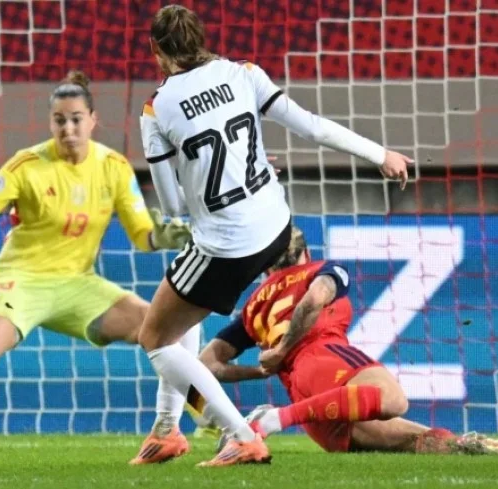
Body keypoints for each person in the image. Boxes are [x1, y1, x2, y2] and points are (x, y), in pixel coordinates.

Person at [135, 4, 414, 466]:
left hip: (226, 242)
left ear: (155, 50)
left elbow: (173, 205)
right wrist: (379, 153)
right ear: (202, 37)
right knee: (181, 310)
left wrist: (202, 176)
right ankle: (167, 430)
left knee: (155, 338)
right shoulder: (243, 72)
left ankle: (240, 432)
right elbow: (311, 126)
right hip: (275, 226)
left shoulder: (156, 107)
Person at [0, 71, 199, 460]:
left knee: (162, 330)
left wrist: (159, 238)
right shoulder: (26, 165)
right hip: (21, 280)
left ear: (93, 120)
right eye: (60, 120)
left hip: (79, 285)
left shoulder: (113, 167)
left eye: (76, 119)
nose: (68, 128)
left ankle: (209, 415)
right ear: (51, 122)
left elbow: (141, 234)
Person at [200, 226, 498, 456]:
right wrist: (286, 348)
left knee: (413, 441)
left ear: (265, 265)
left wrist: (262, 369)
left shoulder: (254, 306)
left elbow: (207, 364)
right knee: (393, 401)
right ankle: (273, 420)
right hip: (325, 358)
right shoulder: (322, 270)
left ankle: (481, 448)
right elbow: (315, 300)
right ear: (306, 252)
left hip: (308, 399)